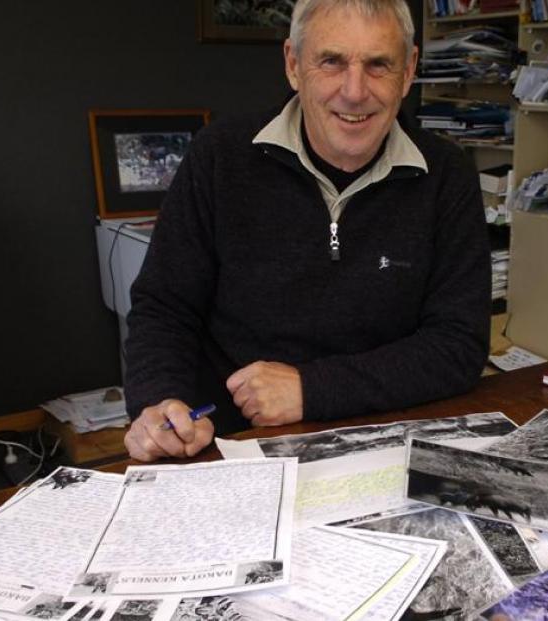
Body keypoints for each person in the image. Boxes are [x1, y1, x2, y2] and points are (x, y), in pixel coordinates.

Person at [123, 0, 491, 462]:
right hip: (232, 445)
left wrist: (311, 389)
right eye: (331, 61)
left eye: (379, 64)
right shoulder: (219, 156)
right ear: (294, 65)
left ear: (410, 69)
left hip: (384, 441)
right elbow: (164, 307)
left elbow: (459, 344)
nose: (354, 92)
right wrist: (159, 402)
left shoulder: (447, 174)